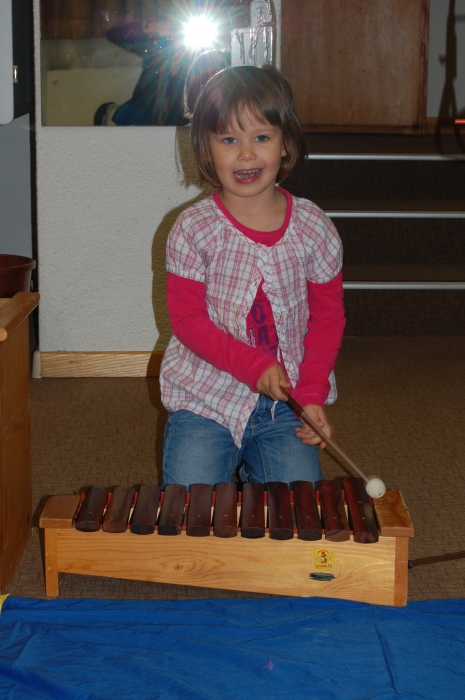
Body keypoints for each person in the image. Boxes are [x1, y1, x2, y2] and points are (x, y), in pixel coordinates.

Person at [160, 65, 345, 487]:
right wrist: (252, 364)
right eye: (229, 140)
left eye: (261, 138)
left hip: (286, 405)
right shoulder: (193, 229)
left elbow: (328, 319)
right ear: (207, 149)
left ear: (286, 144)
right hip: (205, 398)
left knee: (297, 508)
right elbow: (188, 321)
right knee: (189, 503)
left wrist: (312, 394)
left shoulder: (314, 228)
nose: (246, 154)